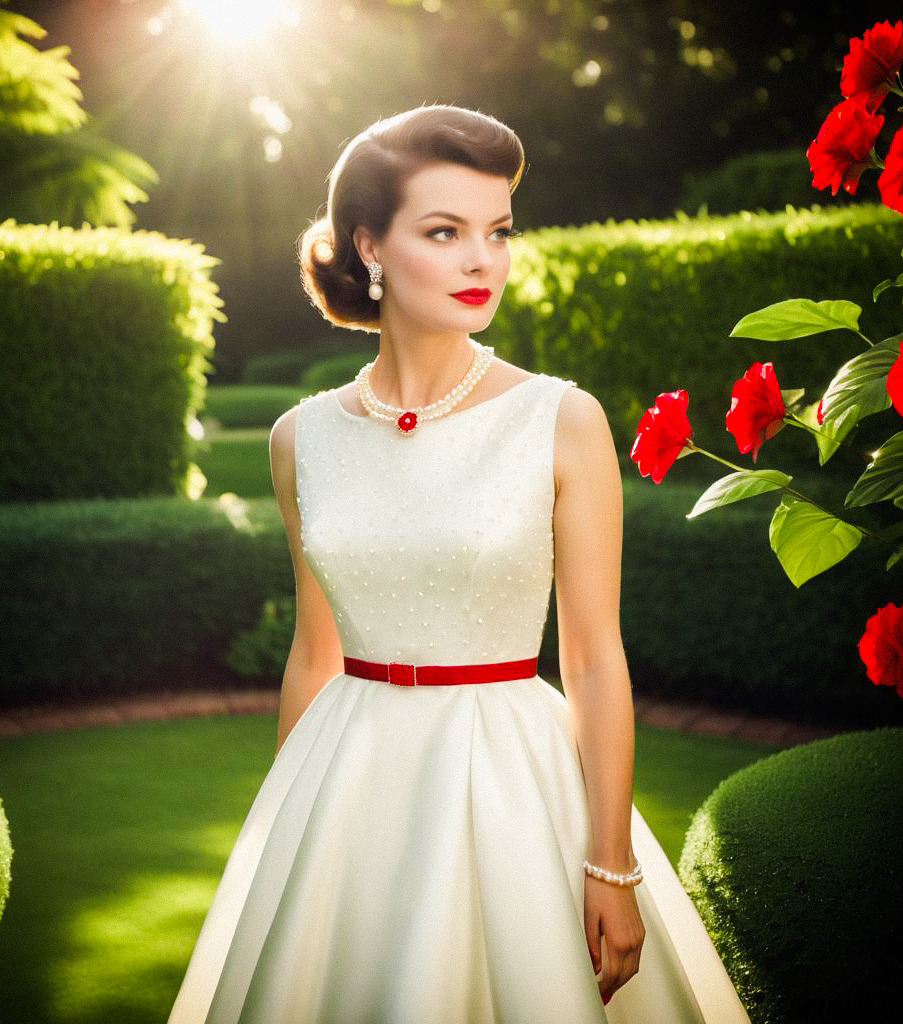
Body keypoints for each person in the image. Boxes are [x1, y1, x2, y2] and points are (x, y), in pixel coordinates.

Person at [166, 103, 753, 1024]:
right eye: (446, 232)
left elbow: (594, 657)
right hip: (343, 789)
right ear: (370, 246)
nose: (484, 260)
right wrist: (284, 840)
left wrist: (611, 864)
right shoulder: (301, 439)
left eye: (499, 232)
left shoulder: (561, 419)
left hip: (510, 786)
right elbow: (315, 654)